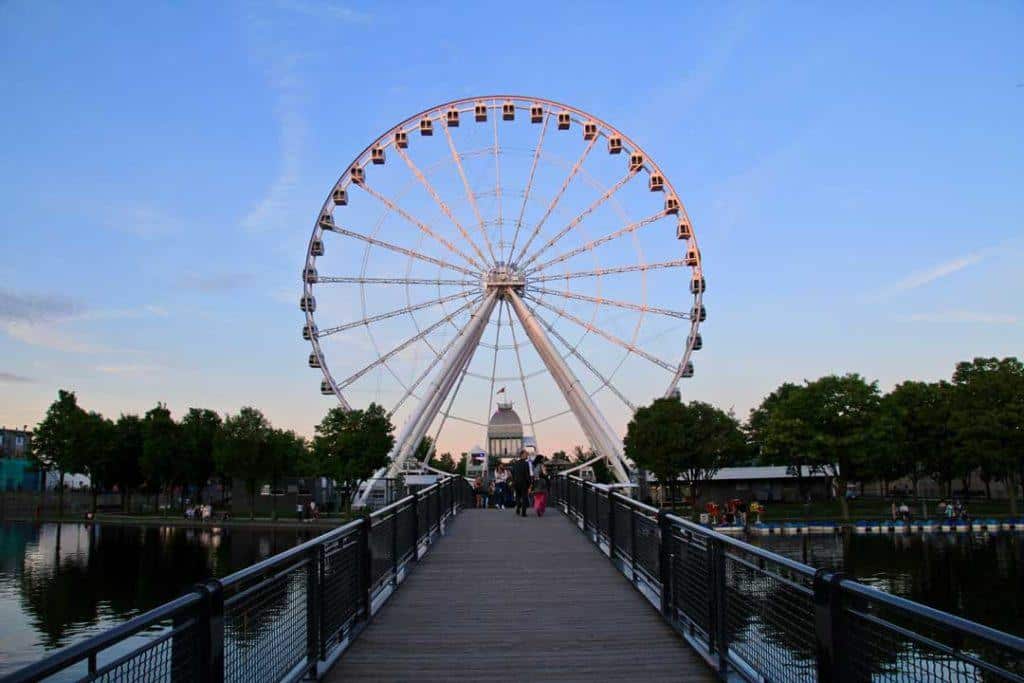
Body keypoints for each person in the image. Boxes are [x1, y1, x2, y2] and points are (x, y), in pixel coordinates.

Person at [511, 449, 532, 517]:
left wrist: (513, 482)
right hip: (523, 483)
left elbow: (512, 473)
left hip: (516, 483)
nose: (527, 455)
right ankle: (523, 512)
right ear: (522, 455)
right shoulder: (526, 463)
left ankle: (518, 507)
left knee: (518, 496)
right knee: (524, 497)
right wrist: (530, 483)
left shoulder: (515, 463)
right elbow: (527, 474)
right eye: (526, 454)